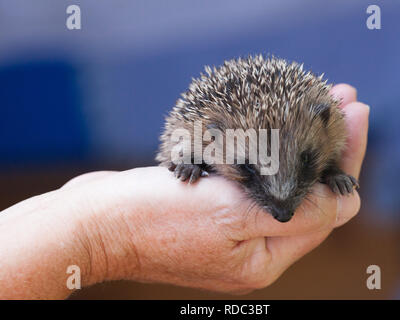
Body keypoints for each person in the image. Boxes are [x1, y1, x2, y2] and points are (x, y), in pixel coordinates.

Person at [0, 84, 369, 299]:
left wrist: (331, 171)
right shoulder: (200, 136)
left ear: (324, 124)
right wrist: (107, 240)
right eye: (250, 172)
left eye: (305, 163)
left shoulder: (325, 125)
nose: (283, 207)